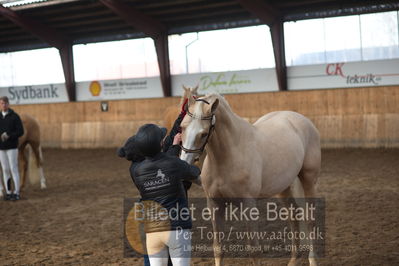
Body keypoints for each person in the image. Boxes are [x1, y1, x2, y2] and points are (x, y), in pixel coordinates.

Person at [118, 124, 200, 266]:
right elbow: (194, 173)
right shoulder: (174, 163)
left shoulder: (136, 171)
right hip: (177, 228)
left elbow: (161, 163)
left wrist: (173, 147)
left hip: (153, 231)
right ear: (161, 143)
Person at [0, 96, 24, 201]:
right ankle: (9, 192)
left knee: (13, 168)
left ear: (8, 104)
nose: (3, 105)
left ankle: (17, 192)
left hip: (12, 147)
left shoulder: (15, 117)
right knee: (5, 169)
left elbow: (20, 131)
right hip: (1, 148)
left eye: (5, 103)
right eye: (1, 103)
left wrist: (9, 135)